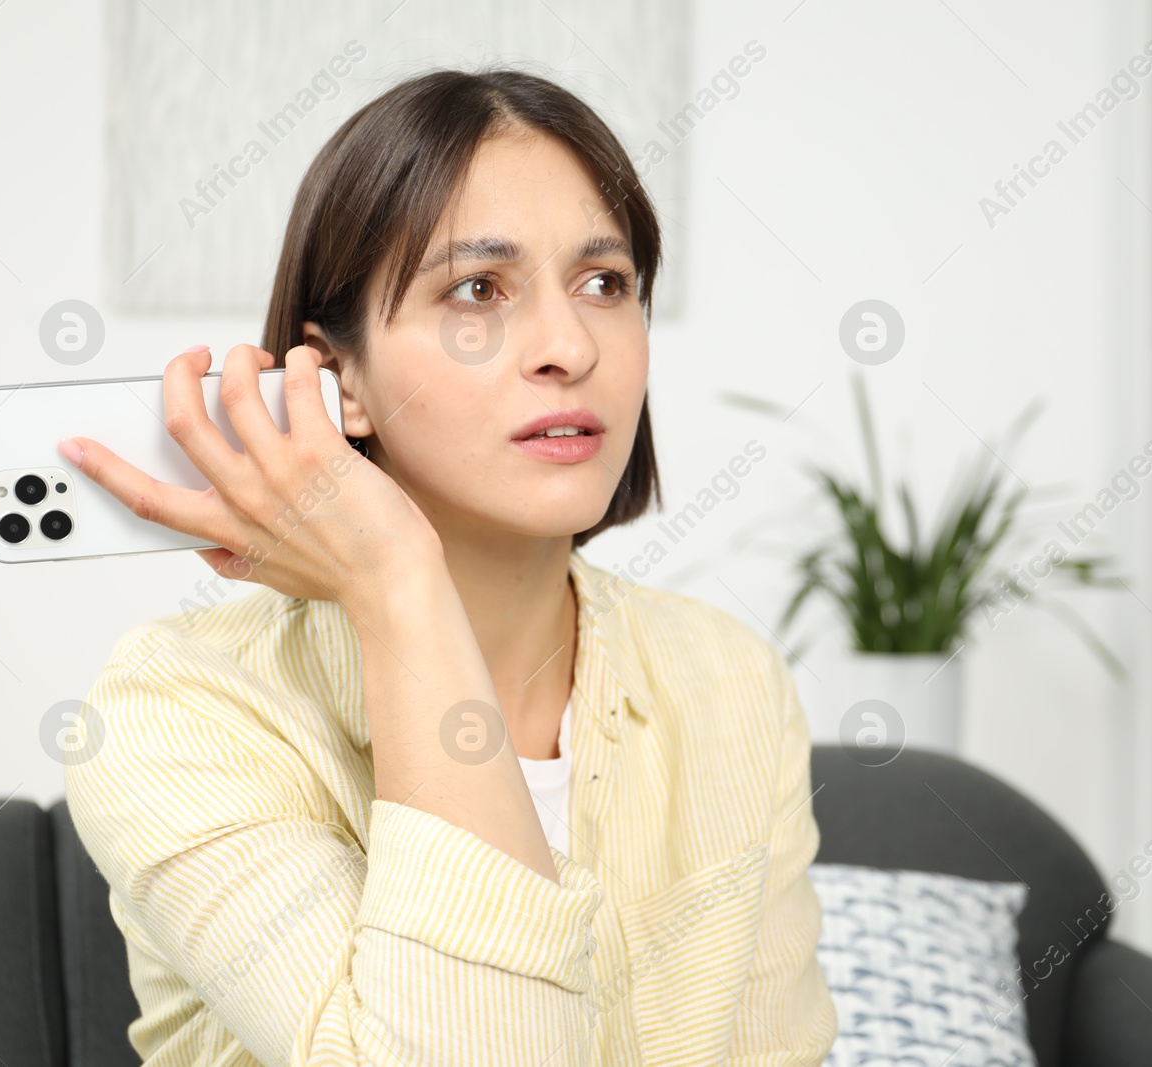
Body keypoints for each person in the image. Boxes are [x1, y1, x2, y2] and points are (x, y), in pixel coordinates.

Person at [59, 66, 838, 1065]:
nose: (568, 345)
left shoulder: (727, 678)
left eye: (605, 282)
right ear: (333, 380)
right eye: (478, 289)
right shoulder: (175, 707)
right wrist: (395, 583)